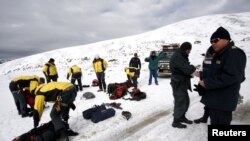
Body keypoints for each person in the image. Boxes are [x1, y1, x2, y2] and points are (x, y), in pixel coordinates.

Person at [199, 27, 246, 125]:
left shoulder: (234, 53)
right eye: (211, 42)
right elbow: (214, 72)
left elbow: (232, 76)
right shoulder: (219, 54)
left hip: (223, 102)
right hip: (215, 100)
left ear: (226, 39)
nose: (213, 44)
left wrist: (207, 83)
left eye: (215, 40)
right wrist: (203, 82)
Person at [169, 42, 199, 128]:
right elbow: (186, 69)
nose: (189, 52)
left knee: (185, 101)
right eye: (189, 51)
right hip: (178, 83)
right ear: (187, 49)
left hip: (182, 82)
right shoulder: (178, 56)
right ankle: (175, 121)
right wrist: (193, 67)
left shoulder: (181, 55)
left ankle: (181, 117)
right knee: (180, 101)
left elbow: (183, 68)